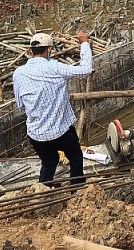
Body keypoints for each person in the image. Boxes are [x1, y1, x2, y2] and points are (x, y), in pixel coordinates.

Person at [13, 31, 93, 186]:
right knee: (75, 156)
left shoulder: (18, 73)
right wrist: (84, 43)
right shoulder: (54, 68)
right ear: (49, 50)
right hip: (60, 132)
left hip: (36, 134)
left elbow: (20, 104)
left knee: (49, 161)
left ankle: (43, 191)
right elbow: (85, 70)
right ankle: (76, 190)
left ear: (30, 51)